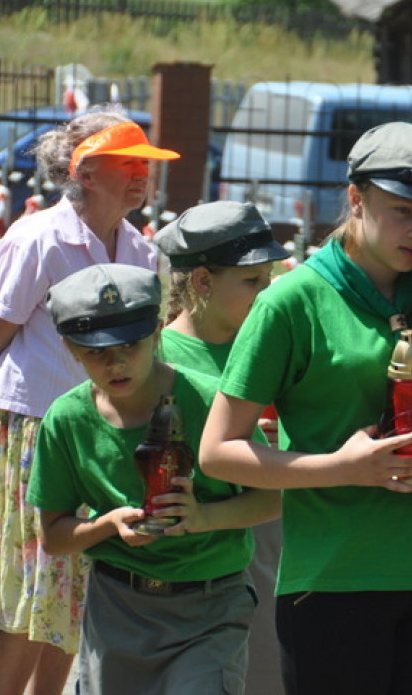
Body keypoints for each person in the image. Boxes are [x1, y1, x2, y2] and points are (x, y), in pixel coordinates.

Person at [199, 122, 412, 695]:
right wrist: (344, 468)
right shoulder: (292, 301)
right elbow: (218, 452)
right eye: (403, 211)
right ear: (356, 198)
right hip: (335, 580)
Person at [0, 112, 178, 695]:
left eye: (145, 163)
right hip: (32, 426)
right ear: (85, 173)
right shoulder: (37, 237)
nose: (141, 173)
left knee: (75, 588)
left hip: (99, 430)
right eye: (127, 162)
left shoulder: (140, 251)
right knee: (34, 583)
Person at [26, 264, 278, 695]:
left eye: (131, 345)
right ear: (70, 348)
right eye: (97, 351)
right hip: (118, 610)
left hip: (211, 608)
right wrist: (109, 524)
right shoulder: (66, 421)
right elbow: (54, 536)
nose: (116, 362)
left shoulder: (210, 401)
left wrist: (201, 517)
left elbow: (273, 499)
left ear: (157, 332)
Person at [153, 200, 290, 695]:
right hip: (187, 563)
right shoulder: (156, 358)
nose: (265, 293)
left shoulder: (275, 342)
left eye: (268, 279)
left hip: (271, 539)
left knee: (266, 675)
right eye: (251, 281)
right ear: (203, 282)